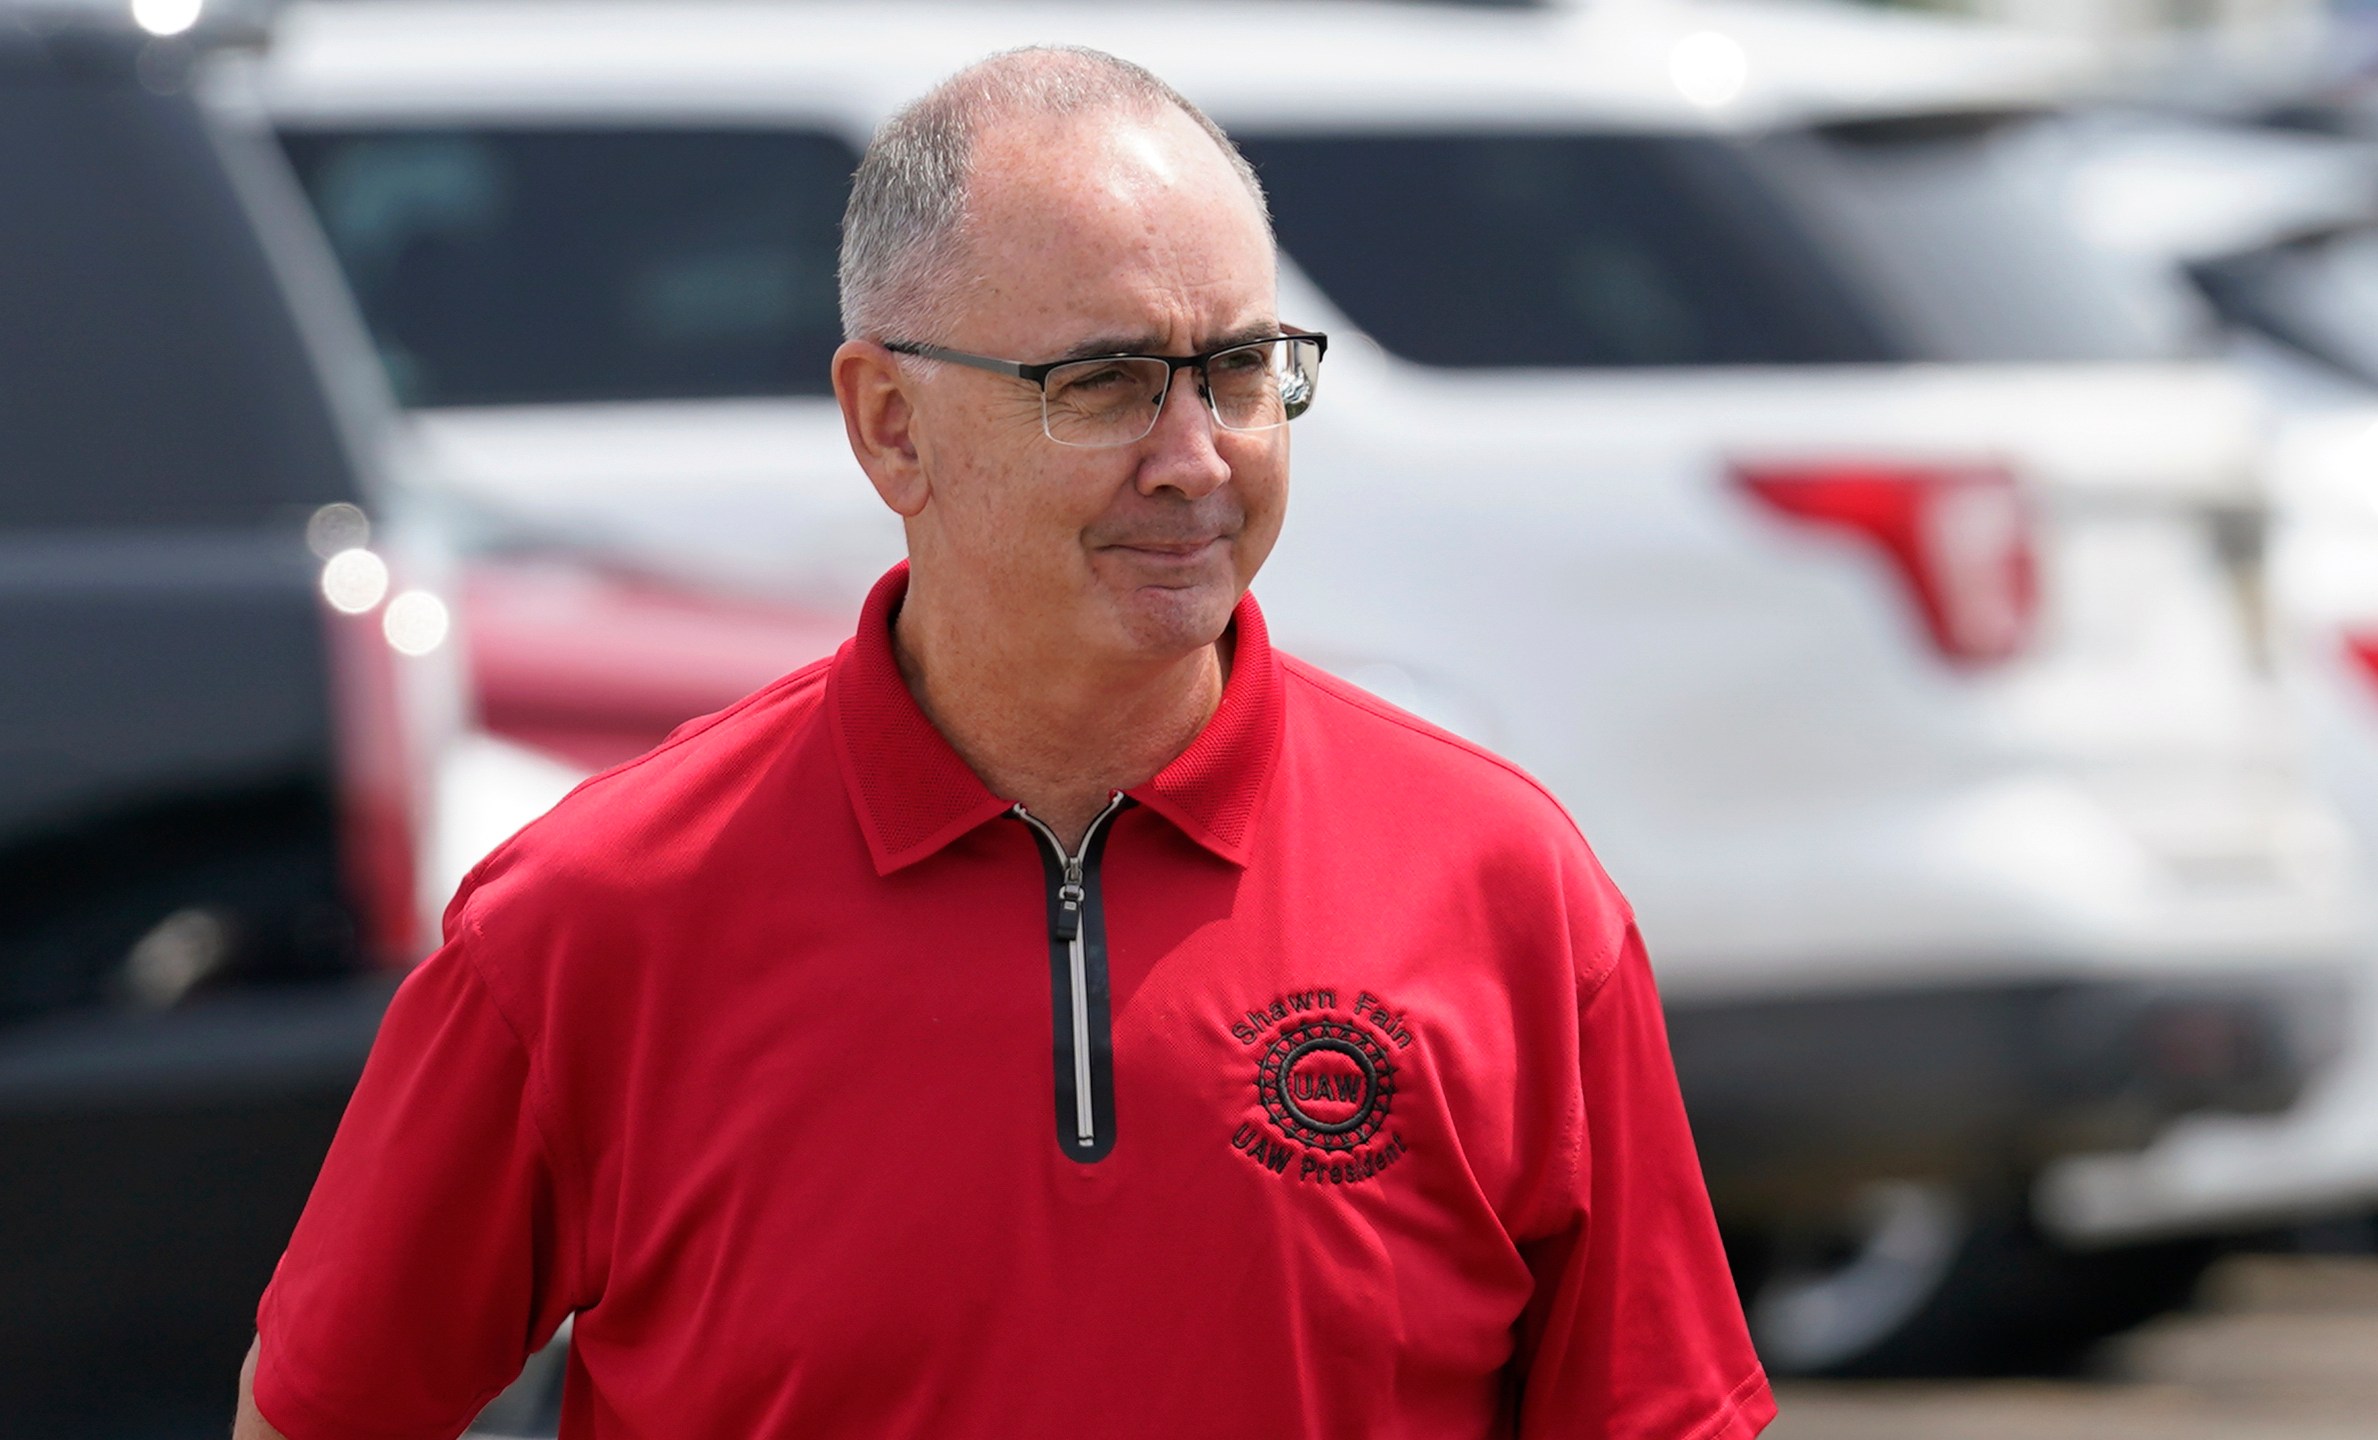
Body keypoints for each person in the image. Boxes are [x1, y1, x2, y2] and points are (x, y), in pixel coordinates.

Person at [233, 45, 1774, 1440]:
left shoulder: (1503, 888)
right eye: (1101, 382)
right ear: (889, 425)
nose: (1196, 458)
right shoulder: (595, 915)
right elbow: (326, 1409)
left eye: (1238, 370)